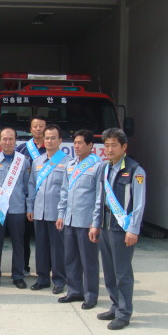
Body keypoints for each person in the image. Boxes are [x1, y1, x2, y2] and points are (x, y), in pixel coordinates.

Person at [90, 128, 146, 330]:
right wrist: (95, 224)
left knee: (122, 272)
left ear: (124, 147)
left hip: (123, 228)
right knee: (109, 271)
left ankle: (124, 312)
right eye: (106, 145)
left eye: (114, 145)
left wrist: (133, 229)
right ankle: (115, 306)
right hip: (106, 226)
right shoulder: (105, 168)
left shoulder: (135, 170)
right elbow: (100, 199)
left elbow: (139, 203)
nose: (109, 149)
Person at [56, 129, 104, 309]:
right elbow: (64, 191)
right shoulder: (70, 165)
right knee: (71, 258)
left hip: (86, 222)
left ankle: (91, 295)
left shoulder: (98, 166)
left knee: (89, 261)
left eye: (80, 143)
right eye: (74, 142)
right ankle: (74, 291)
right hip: (69, 220)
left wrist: (96, 222)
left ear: (90, 145)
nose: (76, 146)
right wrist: (61, 214)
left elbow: (100, 197)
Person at [0, 127, 30, 289]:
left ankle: (18, 276)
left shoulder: (23, 161)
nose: (7, 142)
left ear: (15, 141)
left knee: (18, 244)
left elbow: (27, 187)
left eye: (11, 139)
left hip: (17, 210)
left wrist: (28, 207)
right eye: (4, 139)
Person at [27, 124, 68, 294]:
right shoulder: (37, 161)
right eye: (47, 138)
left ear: (60, 140)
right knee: (41, 248)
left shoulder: (67, 162)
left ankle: (59, 280)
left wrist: (62, 213)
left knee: (57, 249)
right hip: (39, 212)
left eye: (53, 138)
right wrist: (30, 207)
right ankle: (42, 278)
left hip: (56, 214)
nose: (49, 141)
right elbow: (31, 185)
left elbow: (67, 190)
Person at [17, 115, 48, 277]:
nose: (38, 129)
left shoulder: (52, 149)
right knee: (24, 236)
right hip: (25, 199)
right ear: (30, 129)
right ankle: (24, 266)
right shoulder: (22, 149)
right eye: (35, 126)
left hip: (45, 199)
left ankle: (46, 270)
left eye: (41, 126)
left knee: (44, 238)